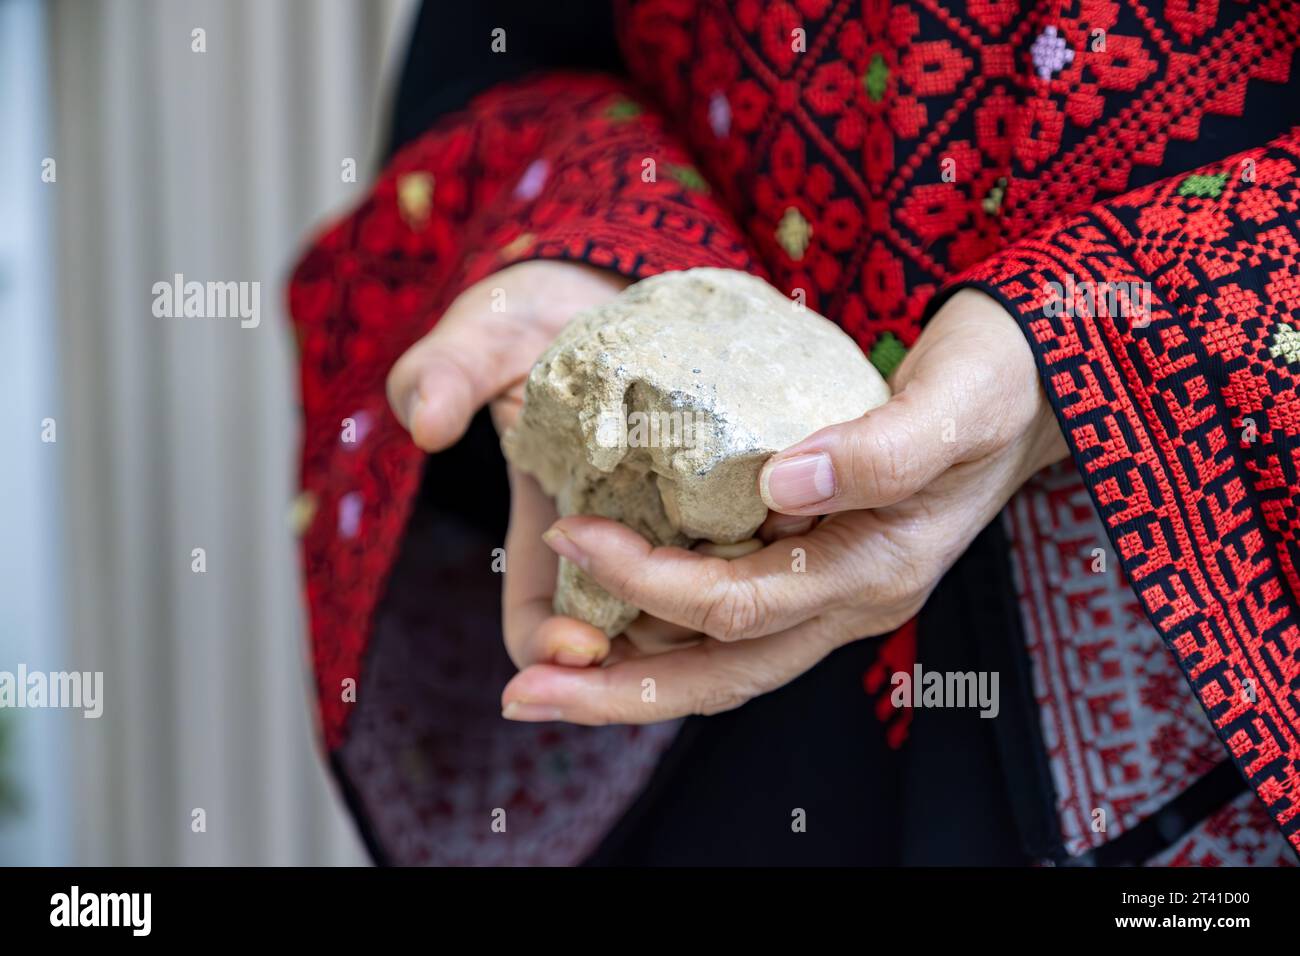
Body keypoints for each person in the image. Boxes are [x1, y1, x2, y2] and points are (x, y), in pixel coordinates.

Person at [288, 0, 1300, 865]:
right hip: (716, 705)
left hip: (1187, 630)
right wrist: (595, 239)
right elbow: (505, 56)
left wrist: (1095, 336)